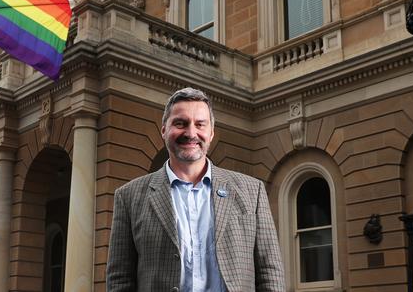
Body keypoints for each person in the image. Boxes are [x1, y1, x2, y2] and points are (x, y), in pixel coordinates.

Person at [106, 87, 285, 292]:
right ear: (164, 129)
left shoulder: (252, 191)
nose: (191, 133)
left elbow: (270, 273)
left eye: (200, 124)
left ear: (211, 132)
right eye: (180, 123)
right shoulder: (128, 197)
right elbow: (120, 279)